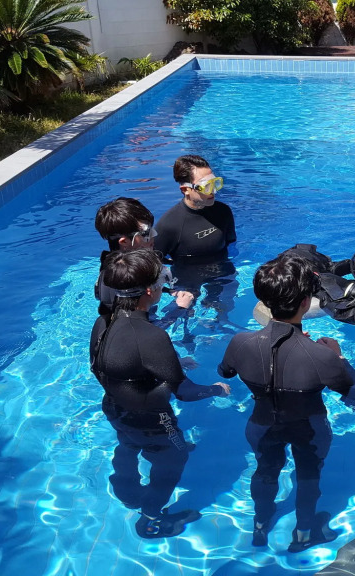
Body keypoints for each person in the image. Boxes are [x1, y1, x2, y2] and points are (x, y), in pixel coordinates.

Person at [217, 255, 355, 552]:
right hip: (309, 429)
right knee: (308, 476)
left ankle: (260, 525)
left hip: (261, 425)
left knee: (265, 470)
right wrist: (338, 356)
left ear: (263, 300)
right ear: (306, 303)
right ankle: (303, 535)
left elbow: (225, 372)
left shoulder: (240, 343)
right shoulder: (321, 356)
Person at [89, 249, 231, 538]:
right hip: (151, 422)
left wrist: (168, 364)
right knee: (174, 459)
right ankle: (150, 519)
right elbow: (186, 392)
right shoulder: (152, 337)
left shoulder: (103, 322)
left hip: (115, 408)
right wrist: (217, 389)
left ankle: (126, 489)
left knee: (128, 442)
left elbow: (110, 364)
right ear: (150, 291)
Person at [154, 155, 237, 321]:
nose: (213, 191)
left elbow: (232, 247)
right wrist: (170, 290)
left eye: (215, 183)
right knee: (186, 322)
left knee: (224, 315)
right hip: (188, 284)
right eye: (206, 186)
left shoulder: (223, 212)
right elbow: (152, 265)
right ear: (185, 189)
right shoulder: (169, 224)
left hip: (223, 275)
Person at [94, 197, 194, 316]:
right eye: (146, 234)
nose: (154, 235)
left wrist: (171, 291)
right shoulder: (117, 283)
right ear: (124, 242)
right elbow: (138, 325)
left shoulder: (135, 262)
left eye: (151, 229)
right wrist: (179, 309)